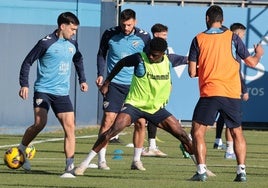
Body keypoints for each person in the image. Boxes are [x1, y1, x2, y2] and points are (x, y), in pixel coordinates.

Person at [74, 37, 194, 176]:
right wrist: (107, 82)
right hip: (135, 105)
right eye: (149, 52)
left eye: (154, 54)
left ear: (162, 54)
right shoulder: (139, 59)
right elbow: (122, 63)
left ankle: (201, 168)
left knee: (183, 135)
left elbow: (190, 60)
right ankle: (84, 164)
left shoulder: (169, 60)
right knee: (113, 130)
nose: (150, 56)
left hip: (155, 108)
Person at [188, 5, 264, 182]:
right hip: (231, 93)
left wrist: (207, 70)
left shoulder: (198, 39)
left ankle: (201, 171)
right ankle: (241, 171)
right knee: (237, 132)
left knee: (198, 132)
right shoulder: (233, 37)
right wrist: (259, 54)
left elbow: (192, 72)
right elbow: (252, 62)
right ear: (222, 20)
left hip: (210, 92)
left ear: (207, 18)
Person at [18, 12, 88, 178]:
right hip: (43, 90)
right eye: (72, 29)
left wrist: (82, 80)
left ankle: (69, 166)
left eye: (76, 29)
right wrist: (24, 84)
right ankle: (22, 149)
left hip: (62, 93)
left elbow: (78, 60)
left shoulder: (73, 44)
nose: (74, 32)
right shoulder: (45, 43)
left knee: (70, 128)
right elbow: (27, 62)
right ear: (62, 26)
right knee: (39, 124)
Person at [95, 9, 151, 170]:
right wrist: (100, 74)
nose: (126, 28)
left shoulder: (144, 36)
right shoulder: (110, 34)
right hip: (115, 84)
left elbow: (149, 60)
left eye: (129, 24)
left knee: (141, 122)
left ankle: (136, 160)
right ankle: (101, 160)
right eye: (123, 24)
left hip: (136, 86)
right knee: (108, 120)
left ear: (135, 22)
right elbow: (101, 54)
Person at [141, 23, 189, 158]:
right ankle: (149, 147)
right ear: (156, 35)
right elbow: (170, 60)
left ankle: (151, 146)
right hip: (151, 88)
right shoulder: (149, 50)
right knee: (151, 116)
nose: (166, 38)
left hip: (161, 88)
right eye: (163, 35)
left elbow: (169, 61)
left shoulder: (163, 48)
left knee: (151, 116)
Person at [213, 23, 249, 160]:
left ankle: (225, 147)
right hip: (229, 89)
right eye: (243, 35)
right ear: (238, 34)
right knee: (232, 121)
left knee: (211, 120)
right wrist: (243, 89)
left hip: (217, 87)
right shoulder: (234, 47)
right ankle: (229, 151)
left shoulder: (222, 46)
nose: (243, 38)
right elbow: (237, 71)